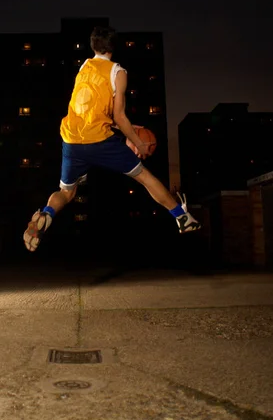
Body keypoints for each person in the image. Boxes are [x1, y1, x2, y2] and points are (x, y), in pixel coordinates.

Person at [23, 26, 201, 252]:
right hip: (99, 141)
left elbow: (92, 111)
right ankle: (182, 217)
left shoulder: (84, 67)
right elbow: (118, 115)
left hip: (71, 140)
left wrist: (123, 128)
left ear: (93, 46)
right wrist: (137, 141)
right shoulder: (118, 72)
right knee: (145, 178)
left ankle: (47, 214)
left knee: (66, 192)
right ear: (113, 46)